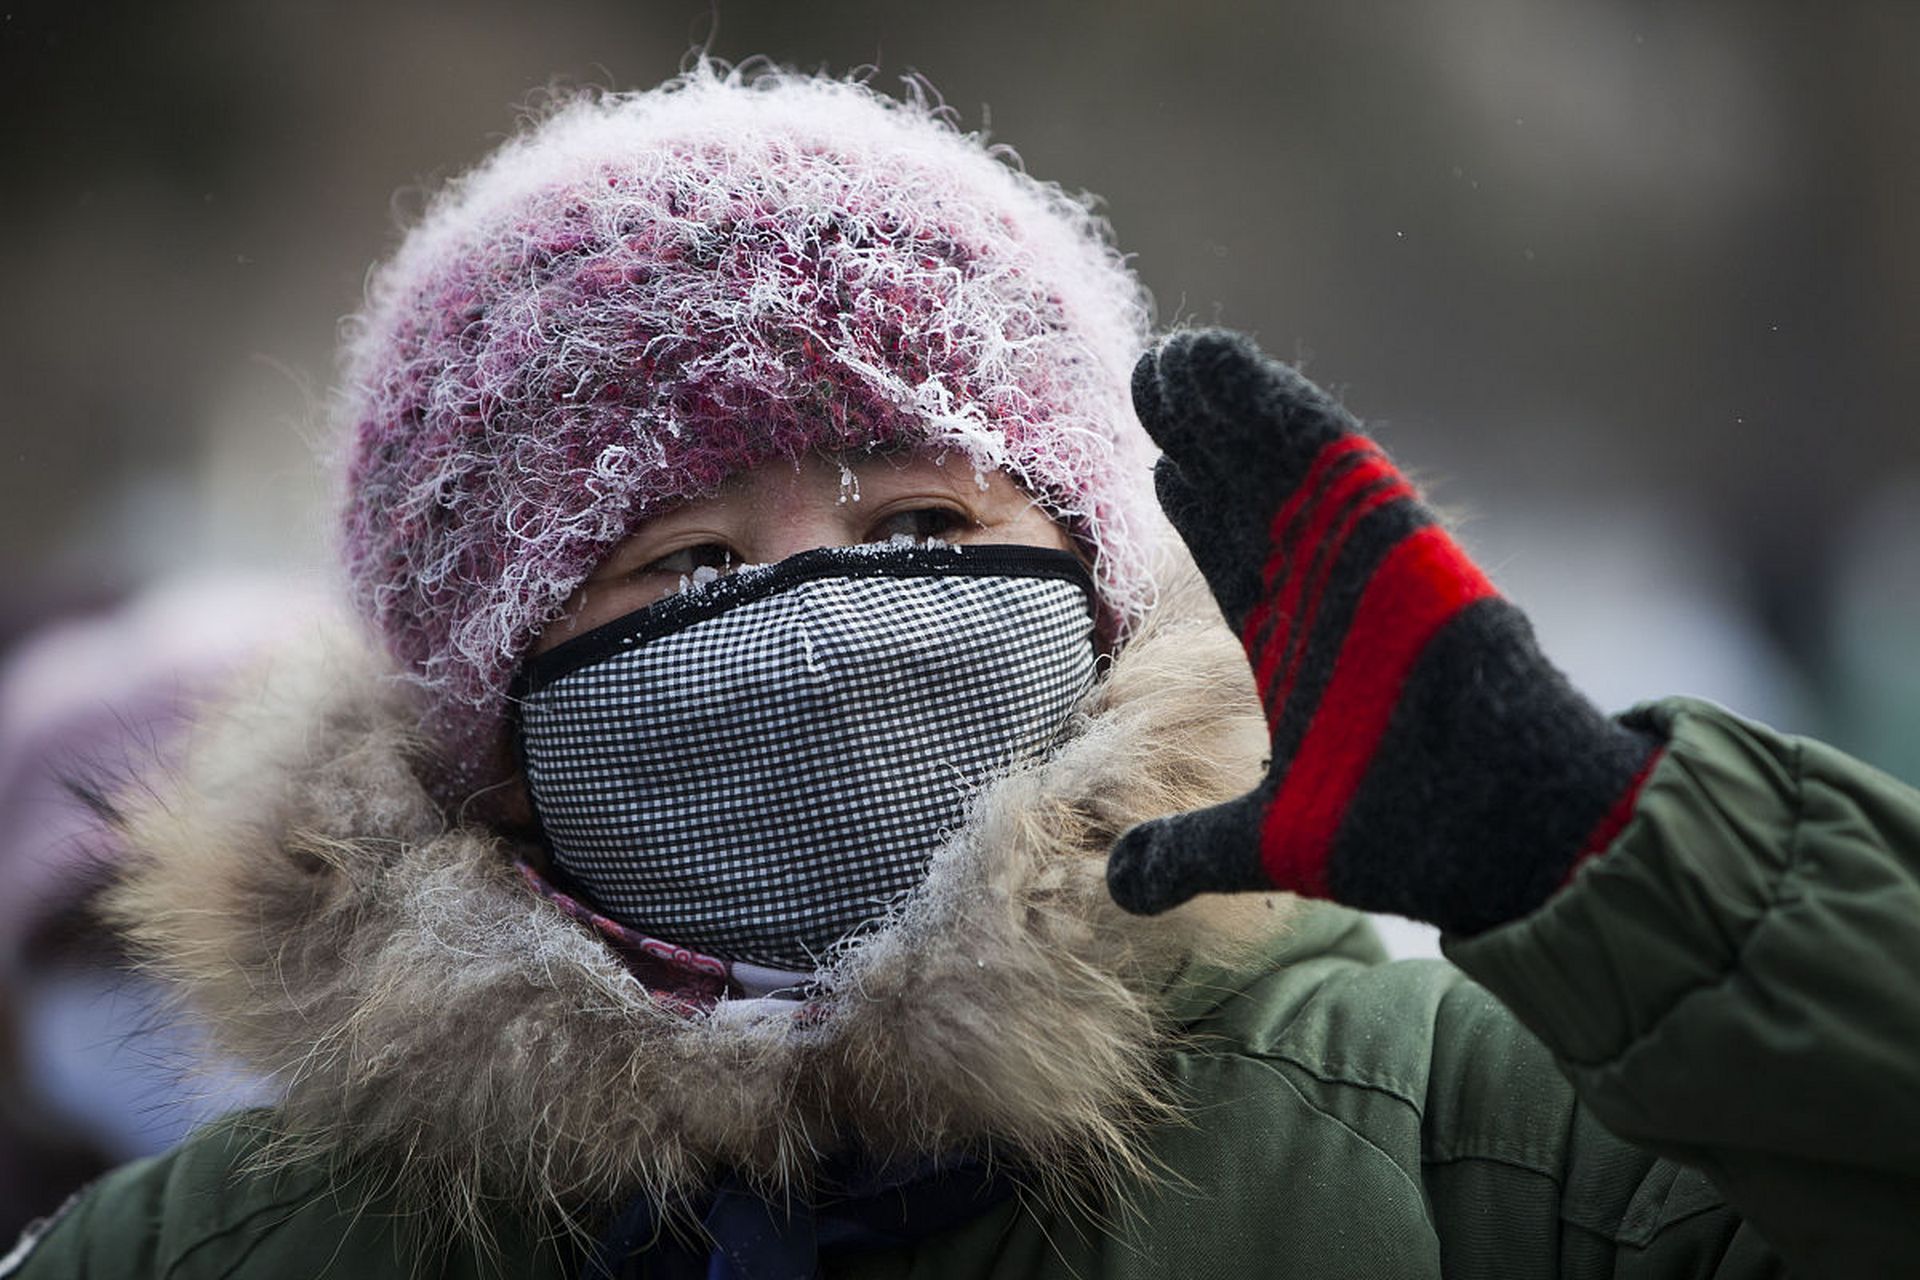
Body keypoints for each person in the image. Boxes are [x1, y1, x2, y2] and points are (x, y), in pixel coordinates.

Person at [8, 61, 1917, 1280]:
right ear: (491, 729)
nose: (828, 615)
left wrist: (1648, 889)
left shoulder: (1451, 1138)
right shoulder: (232, 1248)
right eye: (678, 559)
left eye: (923, 526)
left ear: (1086, 587)